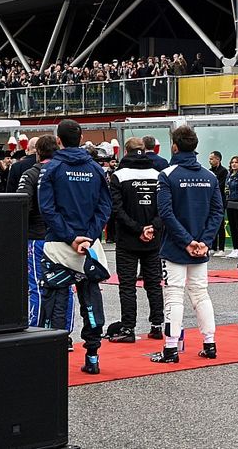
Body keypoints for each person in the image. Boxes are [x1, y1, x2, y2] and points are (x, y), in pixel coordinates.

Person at [38, 119, 113, 375]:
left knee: (55, 302)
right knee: (91, 299)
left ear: (58, 140)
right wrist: (88, 236)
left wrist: (71, 238)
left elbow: (46, 209)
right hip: (89, 248)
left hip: (59, 246)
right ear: (80, 139)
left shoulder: (51, 169)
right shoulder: (96, 169)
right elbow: (105, 207)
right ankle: (92, 356)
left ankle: (53, 361)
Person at [151, 125, 224, 363]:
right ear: (195, 147)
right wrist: (203, 241)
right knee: (201, 294)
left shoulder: (168, 175)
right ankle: (210, 343)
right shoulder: (210, 176)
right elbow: (217, 213)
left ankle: (171, 348)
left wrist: (186, 241)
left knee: (173, 294)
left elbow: (165, 213)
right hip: (199, 246)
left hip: (175, 246)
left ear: (175, 146)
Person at [107, 137, 164, 343]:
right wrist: (152, 227)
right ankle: (157, 325)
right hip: (153, 238)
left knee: (128, 285)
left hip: (128, 239)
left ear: (126, 151)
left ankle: (128, 328)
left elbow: (116, 209)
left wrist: (137, 229)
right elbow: (164, 208)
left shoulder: (118, 176)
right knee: (154, 283)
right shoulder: (158, 175)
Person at [17, 135, 73, 339]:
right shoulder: (67, 172)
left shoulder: (30, 174)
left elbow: (21, 206)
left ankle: (35, 331)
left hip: (37, 236)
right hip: (66, 238)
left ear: (37, 153)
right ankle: (64, 333)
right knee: (65, 286)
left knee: (37, 286)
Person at [224, 156, 238, 259]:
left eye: (236, 162)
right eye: (232, 162)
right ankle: (235, 248)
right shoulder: (229, 175)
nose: (234, 164)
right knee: (232, 225)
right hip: (230, 201)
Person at [208, 151, 229, 254]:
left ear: (218, 159)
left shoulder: (223, 171)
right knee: (212, 223)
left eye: (212, 159)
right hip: (210, 201)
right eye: (210, 159)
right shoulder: (209, 172)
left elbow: (220, 186)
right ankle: (212, 247)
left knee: (220, 224)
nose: (210, 161)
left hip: (220, 201)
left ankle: (221, 248)